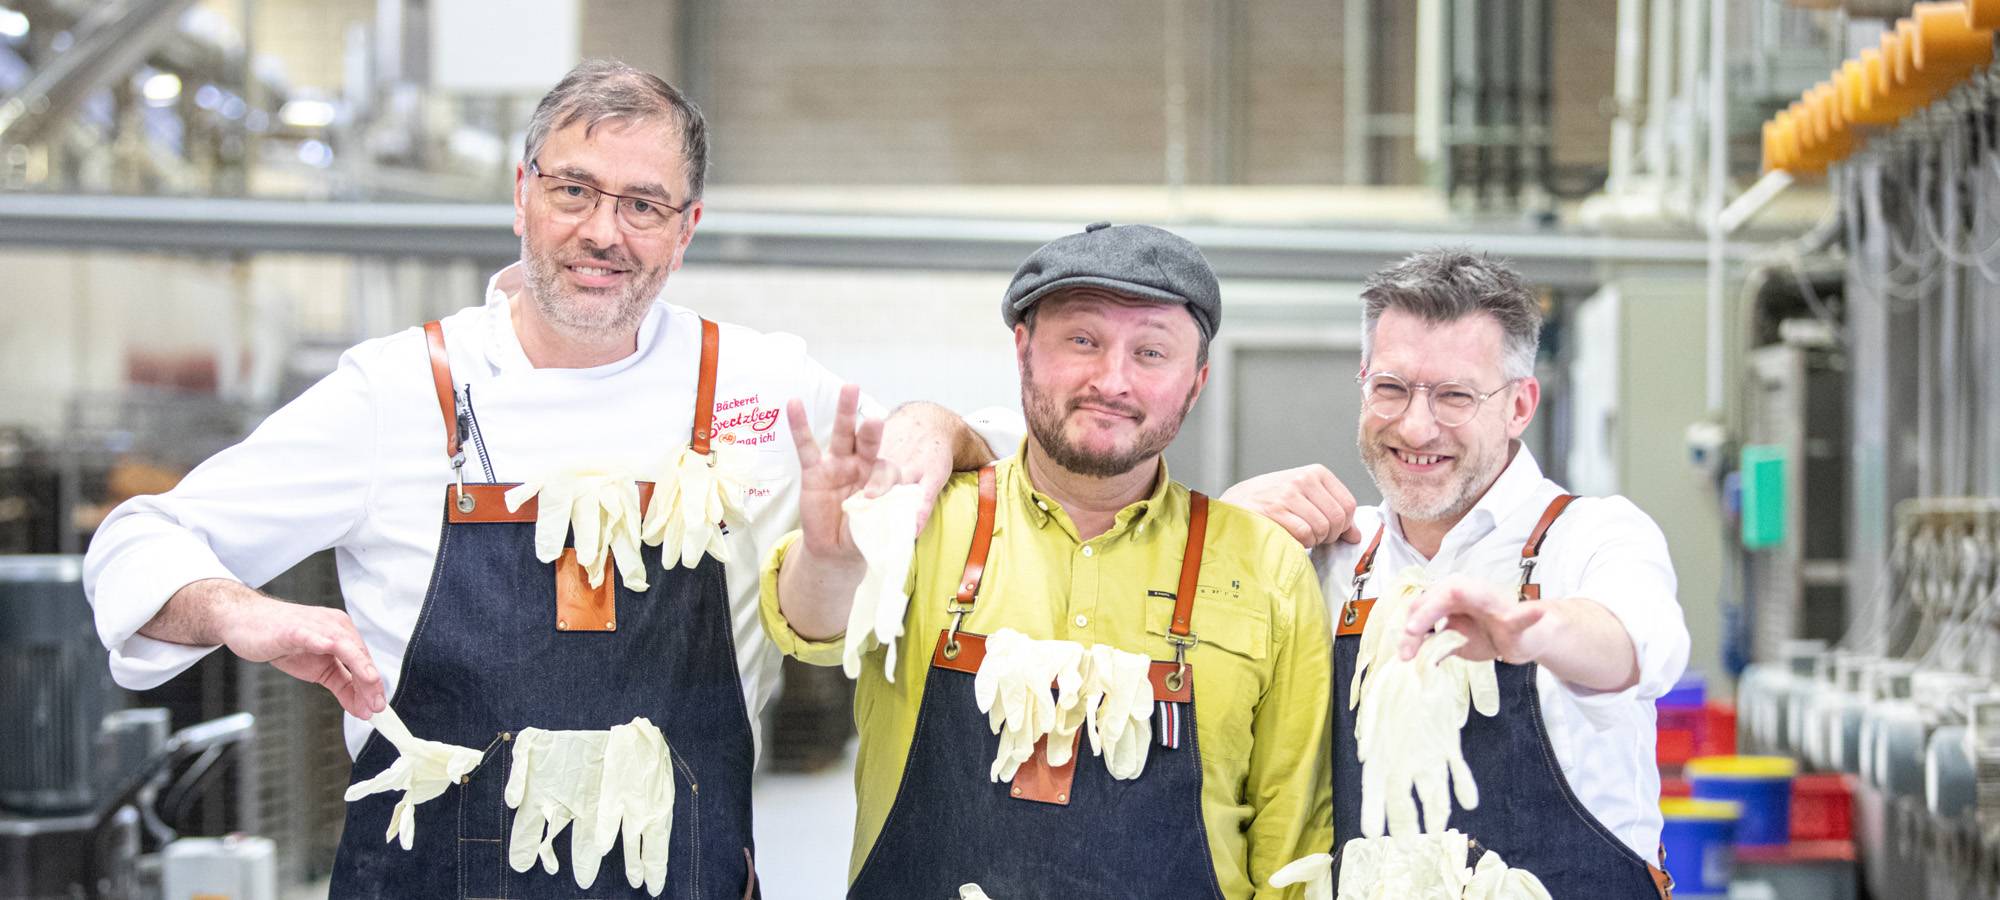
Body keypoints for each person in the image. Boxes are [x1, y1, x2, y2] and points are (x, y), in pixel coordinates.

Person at [81, 60, 1004, 898]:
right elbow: (139, 540)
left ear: (686, 232)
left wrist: (934, 423)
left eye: (644, 205)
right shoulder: (403, 389)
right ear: (522, 195)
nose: (603, 232)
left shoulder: (758, 389)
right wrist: (241, 611)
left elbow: (987, 443)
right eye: (574, 190)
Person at [760, 222, 1333, 898]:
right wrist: (829, 557)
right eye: (1082, 340)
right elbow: (811, 632)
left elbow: (1294, 841)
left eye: (1151, 352)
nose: (1112, 380)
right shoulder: (925, 515)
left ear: (1196, 380)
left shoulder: (1265, 568)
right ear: (1024, 350)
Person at [1220, 249, 1688, 897]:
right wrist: (1221, 537)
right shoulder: (1332, 557)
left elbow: (1637, 644)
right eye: (1390, 388)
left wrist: (1533, 633)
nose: (1416, 426)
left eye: (1454, 396)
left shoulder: (1591, 537)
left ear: (1520, 405)